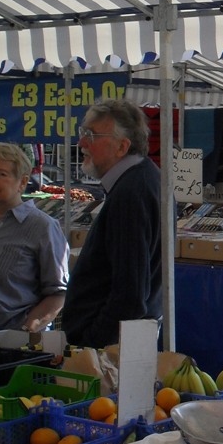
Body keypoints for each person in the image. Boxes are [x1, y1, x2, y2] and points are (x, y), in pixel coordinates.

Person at [61, 98, 164, 348]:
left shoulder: (131, 192)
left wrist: (93, 342)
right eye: (83, 133)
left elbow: (130, 295)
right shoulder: (142, 179)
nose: (82, 143)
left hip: (108, 351)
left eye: (92, 135)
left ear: (122, 147)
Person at [0, 142, 69, 332]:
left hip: (11, 344)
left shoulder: (42, 227)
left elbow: (58, 293)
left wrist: (29, 326)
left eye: (0, 174)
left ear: (22, 182)